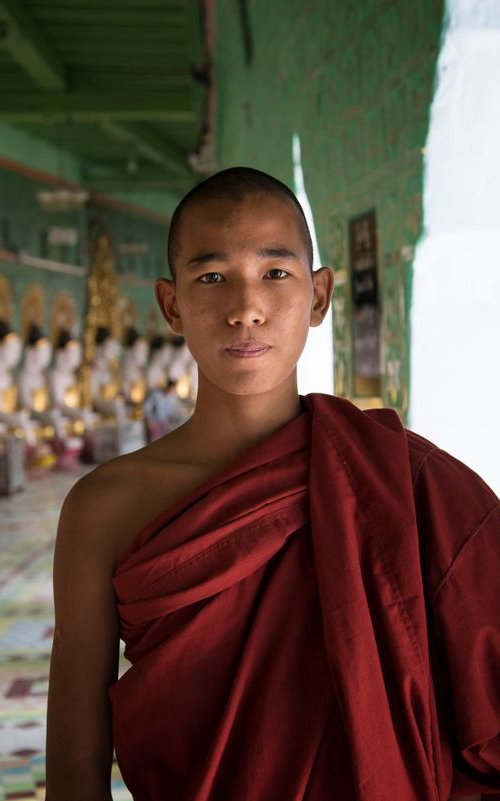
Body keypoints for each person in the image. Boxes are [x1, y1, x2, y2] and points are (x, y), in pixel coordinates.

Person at [45, 167, 500, 801]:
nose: (245, 308)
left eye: (275, 273)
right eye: (211, 277)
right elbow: (76, 745)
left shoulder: (405, 482)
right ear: (171, 305)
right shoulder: (105, 507)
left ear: (319, 297)